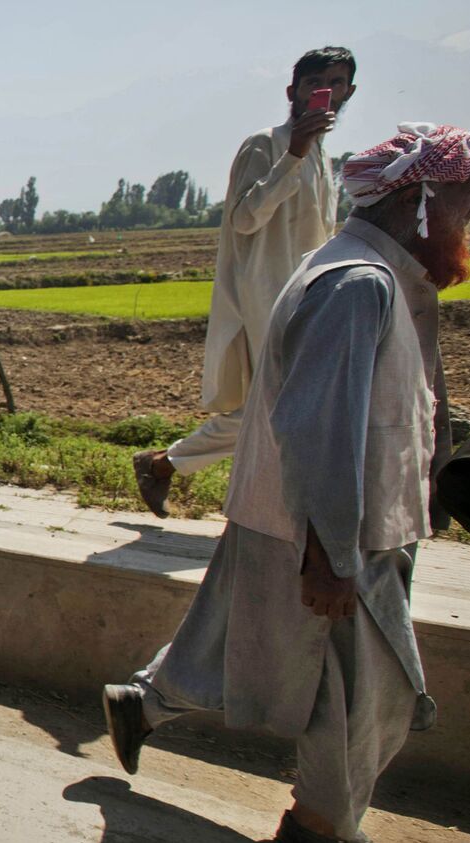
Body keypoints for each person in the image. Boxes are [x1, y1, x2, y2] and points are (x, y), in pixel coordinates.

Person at [105, 123, 470, 843]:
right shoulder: (353, 286)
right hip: (335, 540)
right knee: (355, 704)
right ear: (423, 198)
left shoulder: (373, 278)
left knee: (276, 667)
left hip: (333, 532)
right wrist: (329, 556)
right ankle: (318, 829)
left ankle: (149, 709)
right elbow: (321, 432)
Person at [132, 46, 356, 516]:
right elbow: (245, 219)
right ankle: (177, 470)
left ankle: (164, 465)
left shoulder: (323, 157)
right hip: (265, 298)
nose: (325, 93)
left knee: (274, 408)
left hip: (308, 295)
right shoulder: (266, 144)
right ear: (293, 91)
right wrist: (292, 155)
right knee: (275, 407)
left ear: (348, 93)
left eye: (336, 84)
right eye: (316, 83)